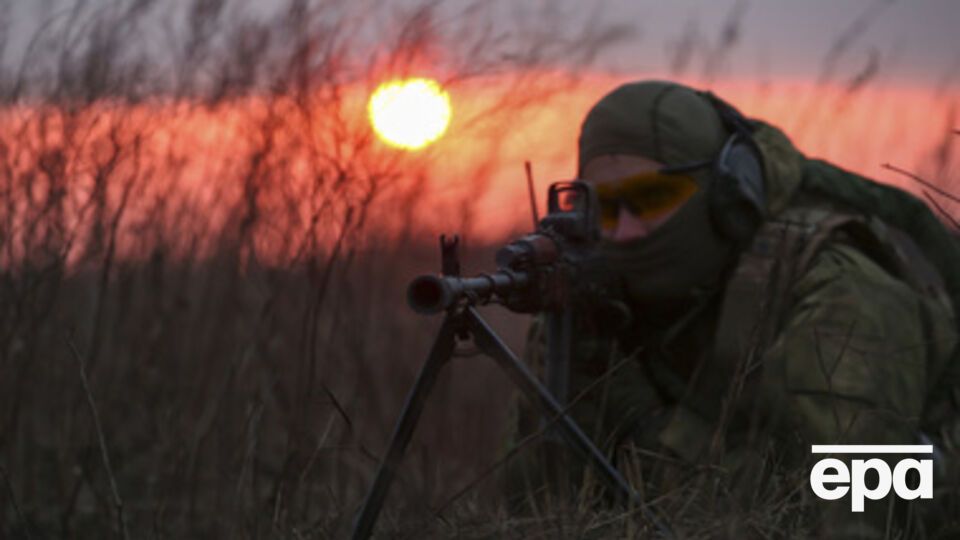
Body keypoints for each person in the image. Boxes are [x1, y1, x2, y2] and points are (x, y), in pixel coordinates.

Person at [502, 80, 960, 538]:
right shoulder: (597, 308)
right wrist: (572, 382)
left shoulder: (842, 294)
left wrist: (642, 425)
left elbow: (843, 510)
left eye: (652, 199)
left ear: (728, 195)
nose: (624, 232)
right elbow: (539, 514)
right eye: (604, 208)